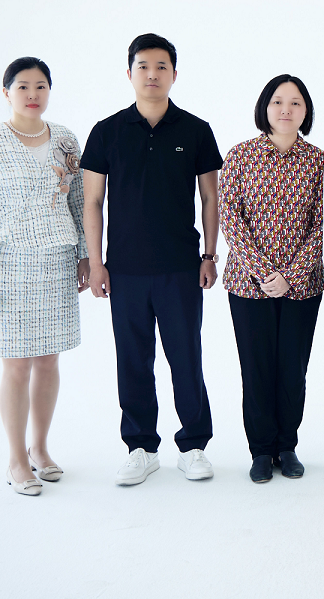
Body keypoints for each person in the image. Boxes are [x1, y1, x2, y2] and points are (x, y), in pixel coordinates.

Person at [81, 33, 224, 486]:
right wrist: (96, 263)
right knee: (133, 361)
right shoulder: (106, 131)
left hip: (181, 267)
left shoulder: (195, 129)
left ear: (174, 74)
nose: (152, 74)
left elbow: (210, 197)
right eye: (143, 66)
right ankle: (140, 447)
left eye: (161, 66)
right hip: (124, 270)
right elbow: (92, 202)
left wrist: (209, 254)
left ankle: (194, 446)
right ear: (129, 73)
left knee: (187, 358)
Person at [0, 57, 89, 496]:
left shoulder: (66, 139)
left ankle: (40, 448)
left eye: (40, 86)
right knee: (16, 364)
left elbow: (79, 203)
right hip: (8, 265)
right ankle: (16, 459)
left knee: (49, 360)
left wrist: (86, 256)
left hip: (57, 261)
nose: (32, 94)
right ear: (7, 93)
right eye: (22, 86)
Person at [220, 75, 324, 484]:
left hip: (302, 286)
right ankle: (261, 450)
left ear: (305, 111)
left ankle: (287, 446)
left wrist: (292, 275)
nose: (286, 109)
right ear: (265, 107)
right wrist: (265, 273)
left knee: (293, 369)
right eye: (278, 101)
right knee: (257, 368)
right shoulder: (241, 156)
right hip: (249, 286)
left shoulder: (319, 161)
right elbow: (231, 218)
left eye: (295, 102)